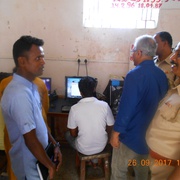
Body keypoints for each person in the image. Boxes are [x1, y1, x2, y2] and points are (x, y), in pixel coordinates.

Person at [0, 35, 62, 180]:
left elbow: (40, 121)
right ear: (22, 61)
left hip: (39, 158)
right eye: (38, 58)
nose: (43, 62)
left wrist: (54, 144)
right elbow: (30, 139)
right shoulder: (19, 93)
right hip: (30, 165)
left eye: (43, 57)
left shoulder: (31, 86)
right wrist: (50, 165)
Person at [110, 35, 168, 180]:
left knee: (118, 172)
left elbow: (126, 108)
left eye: (133, 52)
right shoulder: (161, 75)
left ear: (139, 53)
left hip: (130, 137)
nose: (132, 56)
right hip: (149, 138)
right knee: (142, 173)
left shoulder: (134, 75)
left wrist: (115, 134)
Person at [0, 72, 50, 180]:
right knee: (37, 166)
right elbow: (45, 109)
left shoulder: (5, 83)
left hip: (13, 134)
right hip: (35, 134)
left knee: (16, 166)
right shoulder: (39, 83)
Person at [146, 42, 180, 180]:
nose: (172, 57)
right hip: (153, 165)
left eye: (179, 54)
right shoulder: (174, 89)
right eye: (175, 52)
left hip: (168, 171)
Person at [65, 76, 114, 164]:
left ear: (80, 92)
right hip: (102, 145)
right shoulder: (104, 105)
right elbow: (110, 126)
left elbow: (73, 134)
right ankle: (94, 160)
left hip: (83, 148)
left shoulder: (74, 108)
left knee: (68, 134)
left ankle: (88, 159)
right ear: (94, 89)